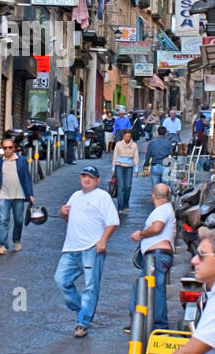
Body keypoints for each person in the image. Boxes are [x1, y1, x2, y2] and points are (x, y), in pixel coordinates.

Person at [55, 164, 119, 339]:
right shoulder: (75, 196)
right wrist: (62, 212)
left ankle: (82, 322)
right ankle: (81, 309)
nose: (86, 179)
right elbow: (68, 216)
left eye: (90, 176)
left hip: (91, 248)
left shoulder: (102, 197)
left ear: (97, 180)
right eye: (84, 176)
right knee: (61, 280)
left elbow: (113, 222)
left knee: (91, 286)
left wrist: (103, 240)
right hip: (71, 248)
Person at [130, 182, 176, 327]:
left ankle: (159, 326)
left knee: (155, 290)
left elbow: (157, 227)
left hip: (156, 256)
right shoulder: (167, 209)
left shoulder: (162, 210)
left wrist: (141, 234)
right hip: (157, 256)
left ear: (153, 196)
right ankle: (140, 321)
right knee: (143, 287)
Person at [0, 134, 35, 256]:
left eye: (9, 147)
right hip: (4, 195)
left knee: (19, 220)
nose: (7, 150)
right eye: (5, 148)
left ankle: (17, 240)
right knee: (3, 220)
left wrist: (30, 194)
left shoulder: (22, 161)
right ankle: (3, 245)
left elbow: (27, 178)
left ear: (14, 148)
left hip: (19, 195)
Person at [112, 129, 140, 212]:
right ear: (123, 136)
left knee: (128, 186)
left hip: (129, 167)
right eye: (126, 136)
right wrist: (113, 169)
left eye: (129, 136)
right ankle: (120, 206)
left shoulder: (134, 145)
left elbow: (136, 157)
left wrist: (136, 169)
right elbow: (115, 156)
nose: (127, 138)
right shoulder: (118, 144)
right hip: (119, 166)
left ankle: (126, 203)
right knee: (121, 187)